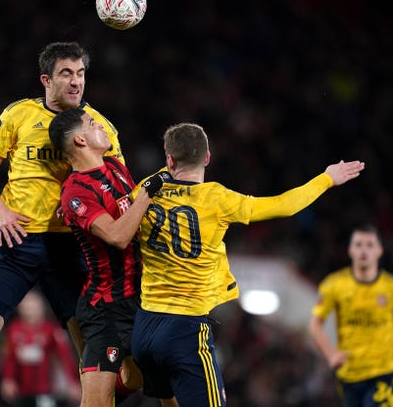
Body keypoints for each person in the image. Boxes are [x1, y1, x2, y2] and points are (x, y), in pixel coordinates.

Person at [130, 122, 366, 407]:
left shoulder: (146, 190)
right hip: (184, 328)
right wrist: (326, 178)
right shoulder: (218, 198)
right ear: (207, 158)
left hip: (144, 327)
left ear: (168, 159)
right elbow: (283, 205)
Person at [0, 41, 125, 407]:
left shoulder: (98, 127)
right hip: (16, 241)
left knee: (90, 350)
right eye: (66, 73)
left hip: (73, 247)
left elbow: (118, 182)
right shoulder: (18, 115)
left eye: (80, 73)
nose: (76, 82)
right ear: (46, 78)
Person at [48, 108, 176, 407]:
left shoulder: (115, 166)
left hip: (143, 297)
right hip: (107, 309)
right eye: (93, 123)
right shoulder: (76, 193)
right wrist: (147, 192)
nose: (101, 125)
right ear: (80, 139)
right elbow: (118, 236)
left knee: (139, 379)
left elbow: (135, 217)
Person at [308, 224, 393, 407]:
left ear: (379, 250)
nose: (364, 250)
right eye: (359, 244)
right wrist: (330, 354)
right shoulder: (334, 285)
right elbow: (315, 324)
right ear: (350, 250)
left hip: (385, 371)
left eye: (370, 245)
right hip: (349, 373)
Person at [0, 290, 81, 407]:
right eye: (27, 305)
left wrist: (72, 382)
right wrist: (7, 379)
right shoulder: (13, 330)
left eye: (33, 305)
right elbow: (9, 358)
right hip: (22, 391)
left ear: (41, 307)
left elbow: (65, 357)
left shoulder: (52, 330)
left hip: (48, 390)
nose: (30, 309)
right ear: (20, 308)